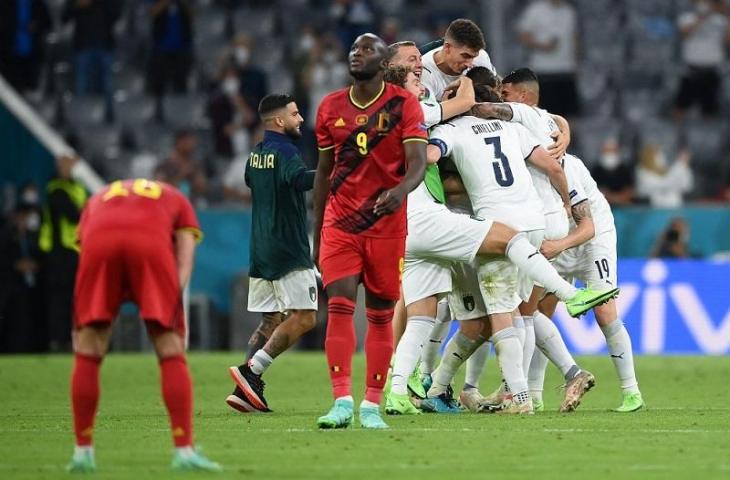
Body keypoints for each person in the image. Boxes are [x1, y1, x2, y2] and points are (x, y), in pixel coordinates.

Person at [421, 84, 619, 414]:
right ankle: (532, 381)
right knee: (522, 314)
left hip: (495, 227)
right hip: (535, 223)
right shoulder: (512, 128)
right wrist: (567, 204)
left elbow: (430, 157)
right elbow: (554, 167)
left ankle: (519, 397)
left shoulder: (449, 129)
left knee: (501, 316)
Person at [312, 33, 428, 429]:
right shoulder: (329, 107)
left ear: (383, 63)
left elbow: (417, 163)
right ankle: (341, 400)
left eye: (366, 50)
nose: (356, 54)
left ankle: (371, 405)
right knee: (340, 306)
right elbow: (324, 174)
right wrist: (316, 235)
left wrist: (399, 191)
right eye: (353, 49)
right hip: (340, 223)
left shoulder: (403, 104)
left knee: (380, 317)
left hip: (386, 226)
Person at [66, 178, 221, 473]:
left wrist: (89, 314)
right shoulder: (175, 197)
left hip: (98, 244)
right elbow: (185, 248)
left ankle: (82, 453)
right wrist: (171, 296)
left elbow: (85, 247)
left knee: (89, 348)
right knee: (168, 345)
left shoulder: (98, 197)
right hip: (148, 244)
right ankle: (184, 450)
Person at [226, 94, 318, 414]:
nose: (301, 120)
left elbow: (251, 181)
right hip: (288, 249)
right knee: (305, 317)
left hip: (260, 248)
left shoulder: (256, 154)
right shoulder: (286, 151)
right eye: (295, 114)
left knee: (270, 319)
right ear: (279, 121)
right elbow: (299, 180)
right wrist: (335, 175)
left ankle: (244, 390)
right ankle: (253, 371)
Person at [533, 153, 645, 413]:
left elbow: (588, 227)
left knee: (605, 312)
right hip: (557, 238)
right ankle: (534, 395)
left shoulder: (566, 168)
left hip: (593, 240)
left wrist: (557, 246)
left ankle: (632, 393)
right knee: (540, 314)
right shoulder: (526, 166)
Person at [38, 160, 88, 352]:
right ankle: (59, 340)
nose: (67, 170)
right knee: (61, 298)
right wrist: (84, 210)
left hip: (75, 250)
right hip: (59, 252)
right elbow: (74, 215)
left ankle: (71, 338)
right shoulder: (56, 189)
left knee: (73, 297)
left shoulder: (77, 187)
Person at [517, 0, 580, 117]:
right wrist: (542, 46)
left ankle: (568, 135)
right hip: (543, 69)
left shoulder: (568, 11)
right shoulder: (535, 10)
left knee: (569, 113)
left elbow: (574, 38)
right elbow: (523, 36)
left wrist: (576, 63)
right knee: (545, 112)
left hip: (566, 69)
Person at [62, 0, 122, 120]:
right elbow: (64, 17)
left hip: (104, 44)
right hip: (82, 45)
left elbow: (117, 14)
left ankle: (108, 124)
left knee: (107, 86)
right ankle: (82, 121)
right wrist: (77, 5)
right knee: (82, 85)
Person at [673, 0, 729, 120]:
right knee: (680, 106)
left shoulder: (721, 20)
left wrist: (726, 16)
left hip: (712, 71)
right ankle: (675, 134)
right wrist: (703, 17)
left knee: (710, 110)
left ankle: (706, 137)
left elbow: (727, 41)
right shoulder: (686, 18)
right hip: (691, 70)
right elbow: (685, 33)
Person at [420, 19, 495, 101]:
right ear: (447, 48)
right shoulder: (423, 72)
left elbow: (496, 91)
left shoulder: (481, 57)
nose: (469, 64)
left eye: (473, 57)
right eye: (465, 56)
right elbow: (429, 113)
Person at [0, 0, 51, 93]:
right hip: (9, 55)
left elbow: (47, 23)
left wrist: (37, 26)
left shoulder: (37, 3)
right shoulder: (6, 4)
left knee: (29, 88)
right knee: (12, 89)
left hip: (31, 54)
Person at [154, 129, 209, 205]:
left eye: (193, 142)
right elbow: (159, 188)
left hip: (191, 206)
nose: (192, 145)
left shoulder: (195, 164)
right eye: (188, 142)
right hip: (169, 206)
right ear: (179, 142)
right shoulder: (164, 165)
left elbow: (203, 189)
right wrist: (182, 174)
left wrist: (197, 179)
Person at [590, 138, 635, 205]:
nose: (610, 154)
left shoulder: (625, 170)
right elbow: (594, 192)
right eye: (607, 151)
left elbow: (629, 191)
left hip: (623, 207)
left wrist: (617, 198)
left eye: (613, 151)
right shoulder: (596, 170)